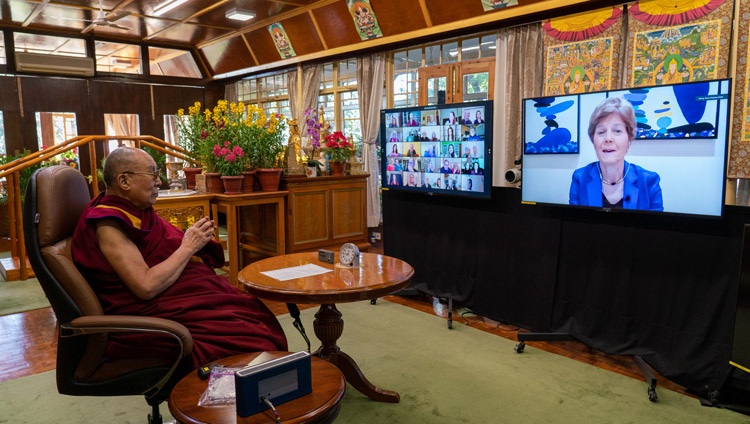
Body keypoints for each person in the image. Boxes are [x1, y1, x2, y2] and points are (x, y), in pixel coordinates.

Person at [71, 147, 288, 369]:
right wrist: (189, 246)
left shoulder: (137, 211)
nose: (159, 181)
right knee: (252, 337)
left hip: (181, 294)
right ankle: (231, 395)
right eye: (152, 174)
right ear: (124, 181)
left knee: (253, 313)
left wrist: (192, 243)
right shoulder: (109, 224)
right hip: (151, 313)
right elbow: (145, 286)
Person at [569, 97, 663, 210]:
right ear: (593, 140)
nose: (608, 138)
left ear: (629, 139)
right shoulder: (580, 178)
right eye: (601, 132)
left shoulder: (649, 181)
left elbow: (654, 227)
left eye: (617, 131)